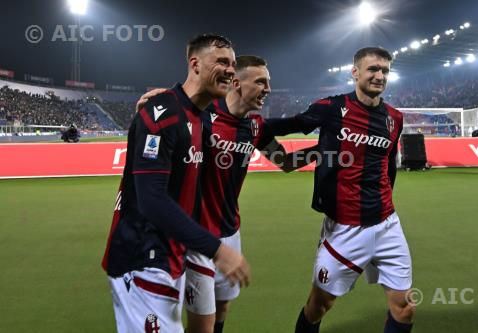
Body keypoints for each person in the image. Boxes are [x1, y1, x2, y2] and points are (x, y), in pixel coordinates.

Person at [138, 55, 316, 333]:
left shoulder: (255, 127)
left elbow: (286, 162)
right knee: (203, 323)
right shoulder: (202, 115)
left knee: (222, 307)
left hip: (231, 231)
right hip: (197, 233)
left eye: (268, 82)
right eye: (261, 81)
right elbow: (164, 126)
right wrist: (150, 111)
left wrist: (325, 149)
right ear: (236, 82)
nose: (268, 89)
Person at [101, 34, 251, 333]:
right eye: (222, 61)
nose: (231, 70)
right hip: (142, 257)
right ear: (194, 64)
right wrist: (218, 250)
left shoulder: (200, 118)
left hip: (172, 253)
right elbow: (152, 200)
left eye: (233, 64)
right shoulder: (163, 114)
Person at [267, 46, 415, 333]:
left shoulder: (394, 118)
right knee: (318, 306)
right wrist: (247, 121)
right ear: (355, 72)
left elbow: (389, 167)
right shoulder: (332, 108)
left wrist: (385, 203)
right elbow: (288, 125)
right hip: (344, 229)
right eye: (373, 69)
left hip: (387, 224)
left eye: (385, 70)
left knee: (405, 307)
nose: (379, 76)